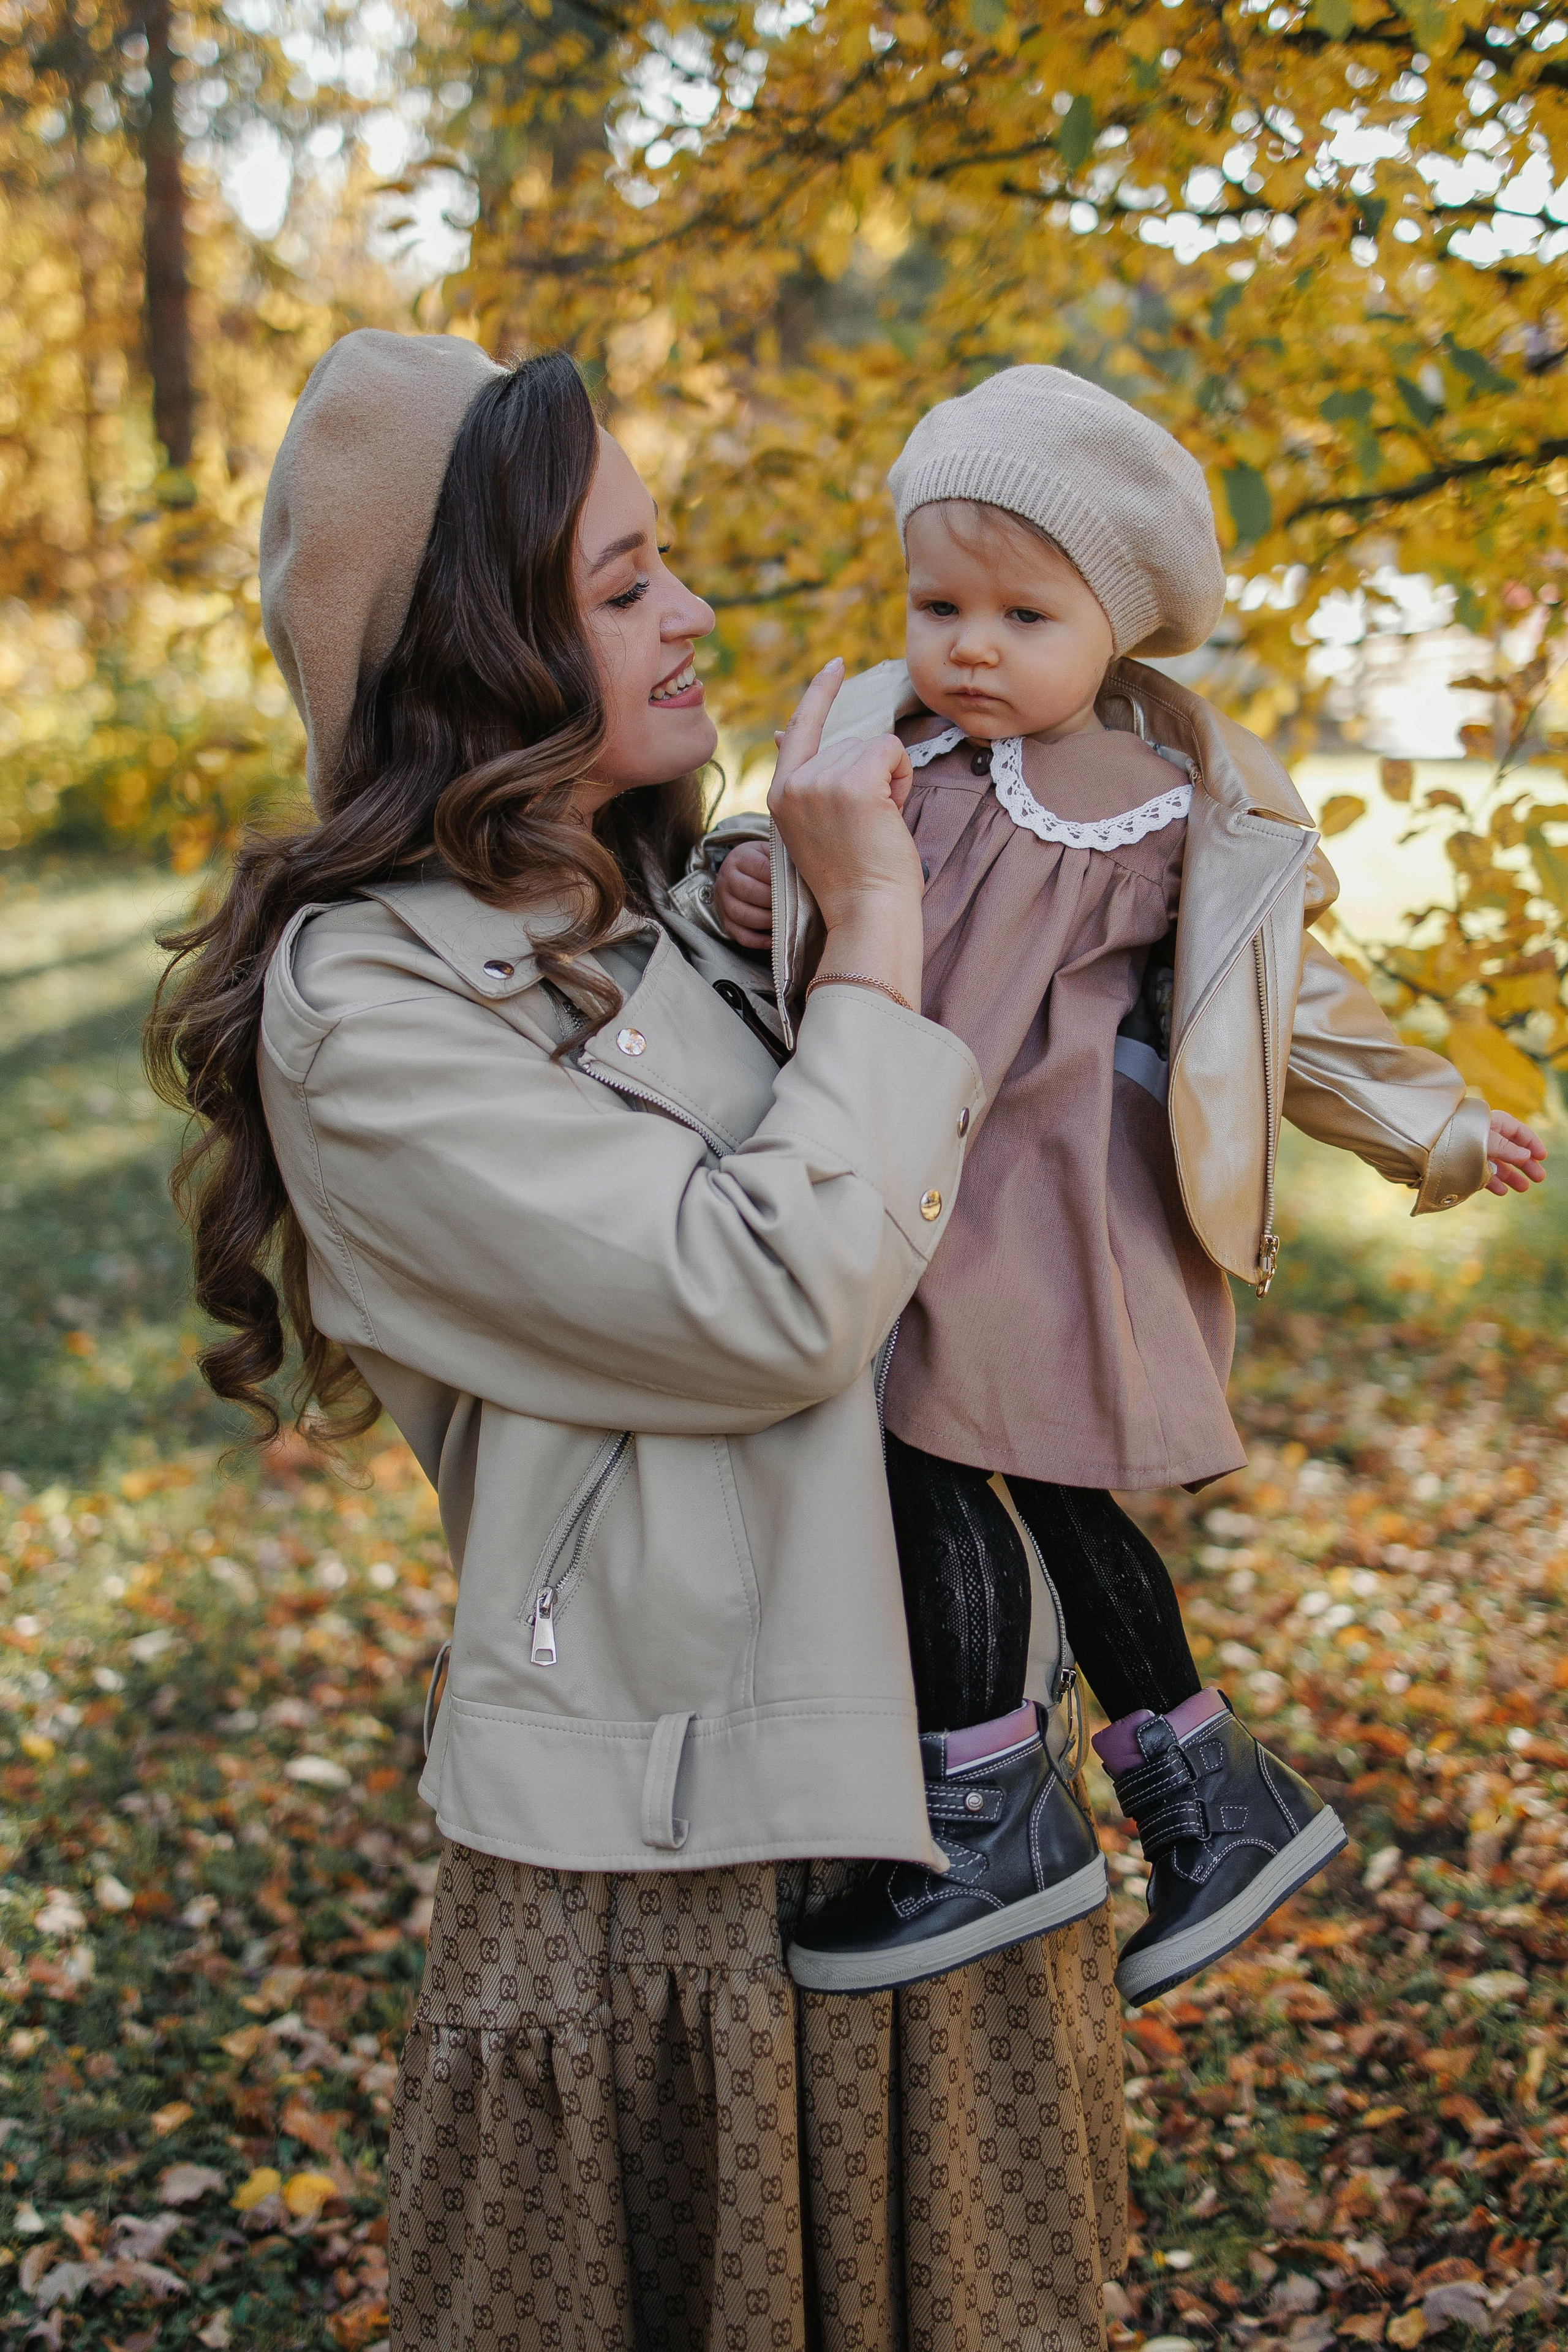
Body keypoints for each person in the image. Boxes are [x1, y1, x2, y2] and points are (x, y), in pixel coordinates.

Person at [148, 332, 1128, 2350]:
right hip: (662, 1855)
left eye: (665, 563)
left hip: (942, 1788)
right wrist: (870, 939)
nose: (692, 615)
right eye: (620, 587)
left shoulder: (684, 895)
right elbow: (762, 1304)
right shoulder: (376, 1009)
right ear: (478, 651)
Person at [706, 364, 1547, 2008]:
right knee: (968, 1480)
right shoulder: (892, 754)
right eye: (941, 601)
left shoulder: (1168, 818)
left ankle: (1019, 1800)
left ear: (1117, 630)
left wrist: (1434, 1124)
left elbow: (1289, 998)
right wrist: (764, 880)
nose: (971, 644)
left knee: (972, 1466)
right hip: (897, 1170)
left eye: (1026, 614)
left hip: (1045, 1205)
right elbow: (815, 886)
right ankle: (1183, 1791)